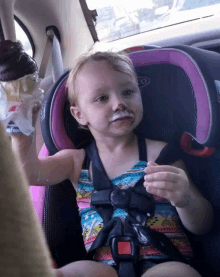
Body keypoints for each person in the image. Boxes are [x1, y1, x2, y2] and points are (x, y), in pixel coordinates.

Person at [10, 51, 213, 277]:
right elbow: (26, 174)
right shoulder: (75, 162)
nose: (119, 103)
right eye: (102, 98)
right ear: (79, 115)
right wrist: (21, 130)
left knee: (179, 273)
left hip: (163, 264)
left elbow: (203, 224)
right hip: (103, 271)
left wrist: (186, 199)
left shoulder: (162, 153)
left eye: (128, 92)